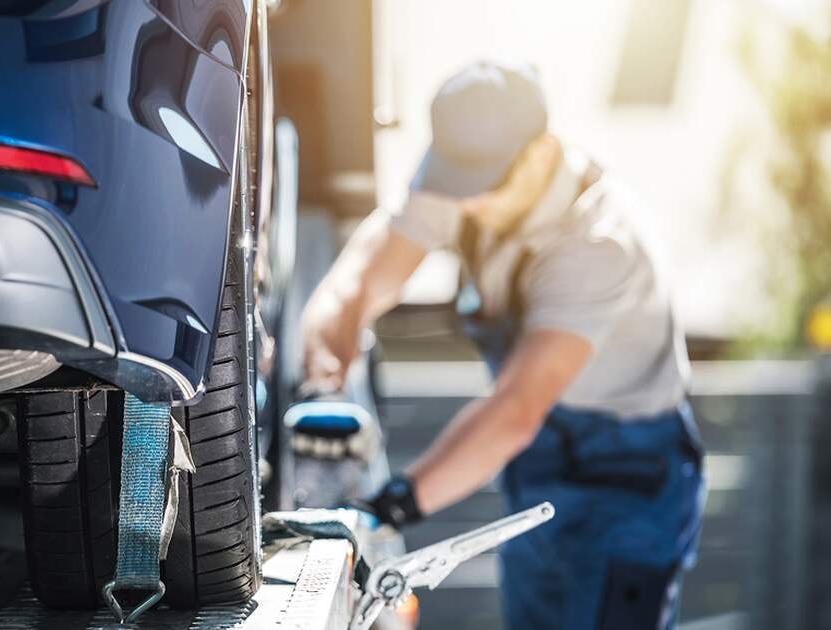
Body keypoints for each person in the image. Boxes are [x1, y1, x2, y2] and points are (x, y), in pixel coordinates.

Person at [300, 60, 705, 630]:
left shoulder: (599, 243)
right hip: (539, 458)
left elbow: (517, 409)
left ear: (541, 154)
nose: (465, 204)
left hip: (626, 474)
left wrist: (389, 506)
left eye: (481, 186)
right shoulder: (464, 177)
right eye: (454, 183)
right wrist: (324, 358)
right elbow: (360, 280)